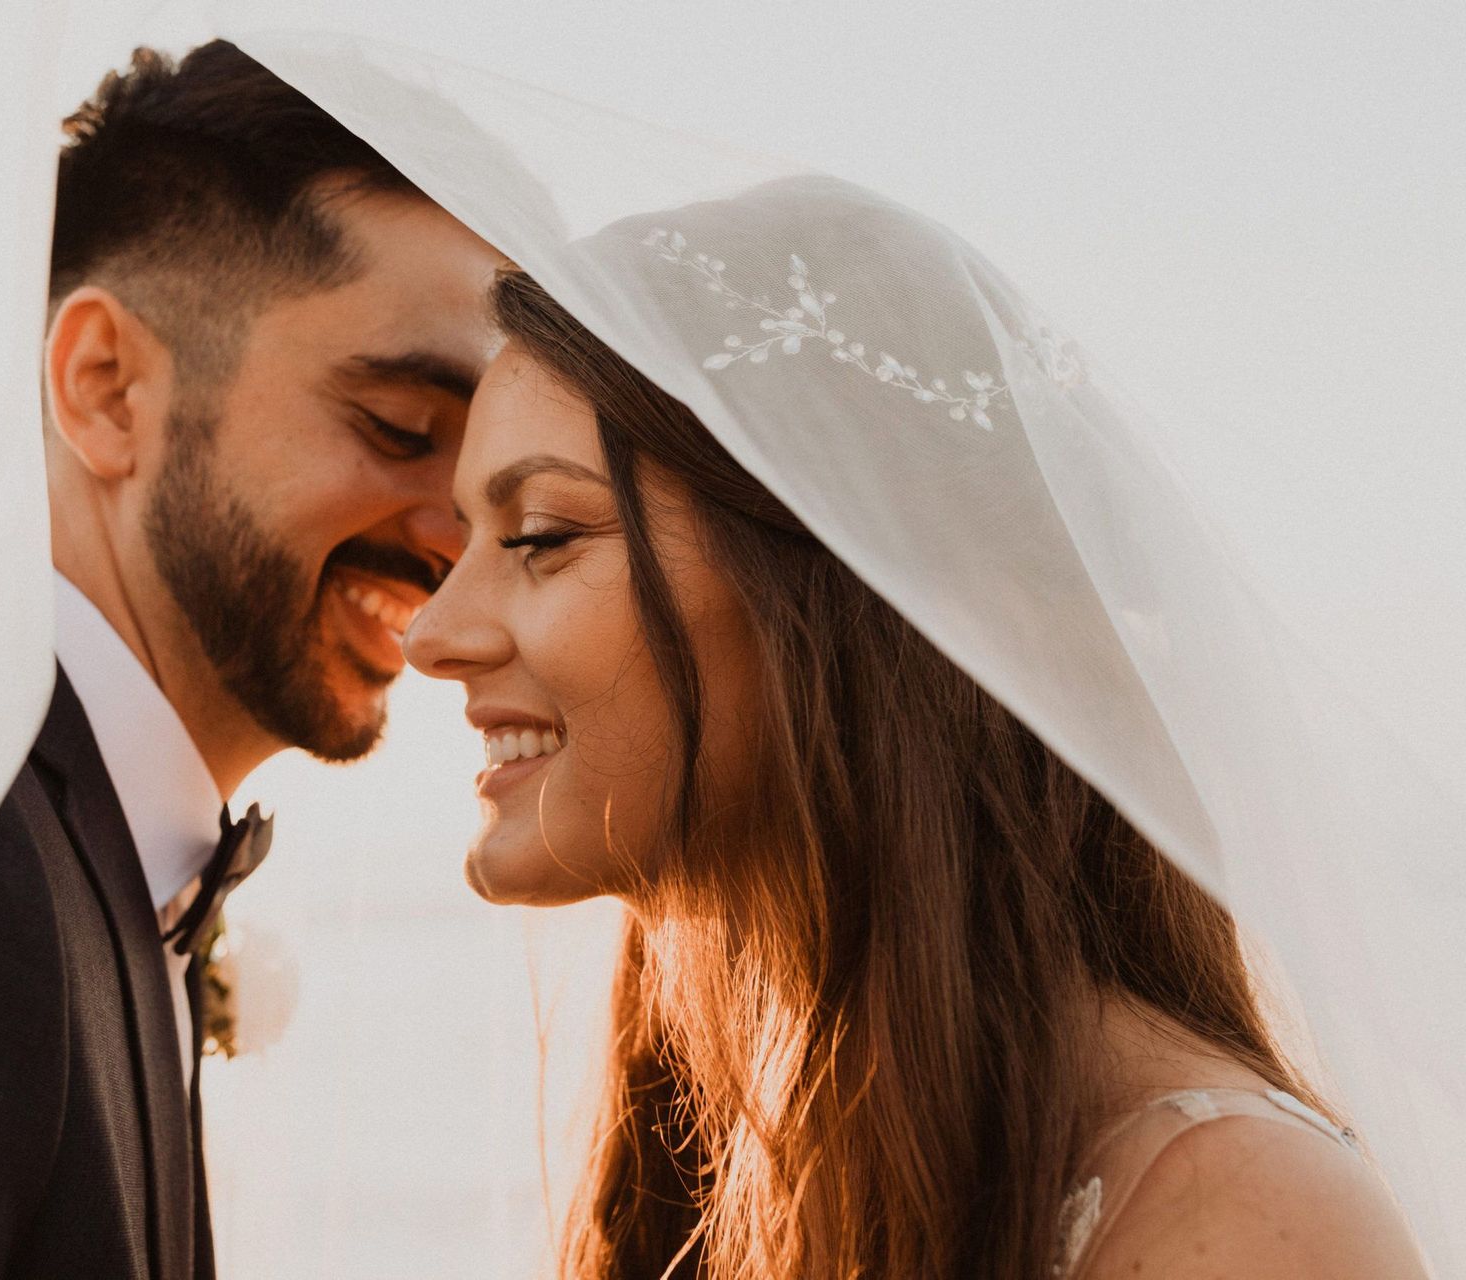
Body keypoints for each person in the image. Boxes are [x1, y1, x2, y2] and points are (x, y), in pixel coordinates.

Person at [403, 220, 1433, 1274]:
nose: (431, 633)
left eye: (540, 535)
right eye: (460, 545)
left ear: (837, 589)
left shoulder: (1236, 1218)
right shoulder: (726, 1156)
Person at [0, 43, 498, 1277]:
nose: (461, 541)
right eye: (401, 428)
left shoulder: (77, 854)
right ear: (105, 389)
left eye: (487, 476)